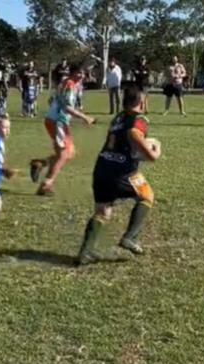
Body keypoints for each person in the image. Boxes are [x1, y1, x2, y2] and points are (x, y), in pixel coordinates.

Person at [76, 87, 161, 265]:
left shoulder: (118, 117)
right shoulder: (138, 119)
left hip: (102, 168)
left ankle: (85, 252)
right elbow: (134, 134)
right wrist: (152, 152)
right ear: (141, 101)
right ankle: (130, 237)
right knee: (147, 196)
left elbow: (125, 143)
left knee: (102, 211)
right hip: (121, 172)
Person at [29, 64, 96, 196]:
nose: (81, 76)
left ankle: (41, 163)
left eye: (83, 73)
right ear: (72, 72)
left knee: (70, 153)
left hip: (57, 120)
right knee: (63, 154)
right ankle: (45, 185)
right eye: (79, 73)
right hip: (57, 121)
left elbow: (51, 100)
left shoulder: (66, 83)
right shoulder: (70, 85)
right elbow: (67, 107)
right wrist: (85, 117)